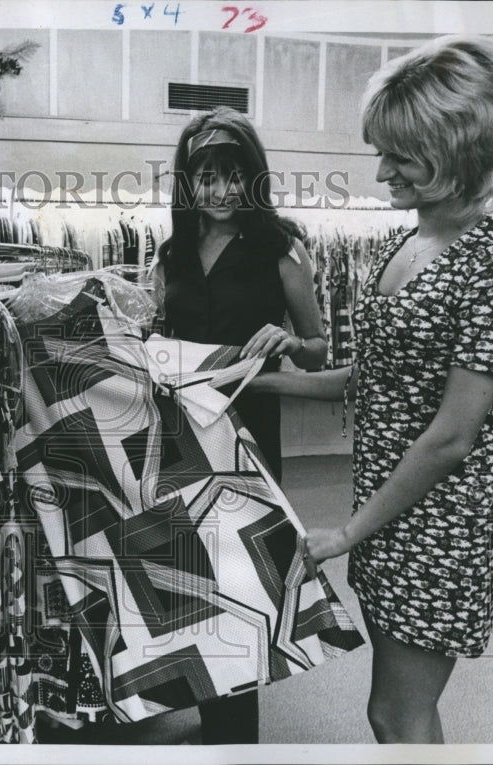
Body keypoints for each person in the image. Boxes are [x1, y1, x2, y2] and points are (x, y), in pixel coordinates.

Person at [247, 36, 493, 743]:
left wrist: (349, 532)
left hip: (439, 523)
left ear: (453, 151)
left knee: (394, 712)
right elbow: (368, 381)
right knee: (404, 708)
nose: (381, 170)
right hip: (385, 504)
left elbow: (452, 433)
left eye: (400, 155)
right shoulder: (397, 245)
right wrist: (246, 378)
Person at [152, 105, 328, 744]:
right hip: (182, 438)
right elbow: (159, 336)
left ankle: (236, 737)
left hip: (248, 440)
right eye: (207, 178)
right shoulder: (170, 252)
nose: (221, 191)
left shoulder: (281, 250)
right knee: (196, 586)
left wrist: (286, 338)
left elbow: (318, 349)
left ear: (253, 179)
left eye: (233, 176)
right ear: (188, 182)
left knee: (242, 590)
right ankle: (210, 724)